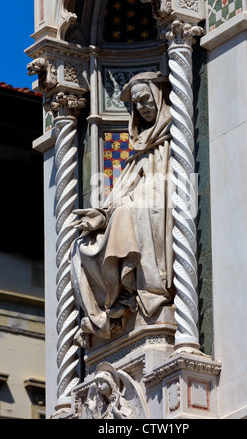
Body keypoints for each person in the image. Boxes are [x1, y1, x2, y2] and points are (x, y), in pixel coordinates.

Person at [70, 71, 174, 343]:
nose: (143, 107)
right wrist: (100, 217)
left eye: (146, 99)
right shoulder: (140, 147)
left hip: (161, 207)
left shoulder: (176, 134)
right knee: (81, 246)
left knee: (134, 210)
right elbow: (121, 192)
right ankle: (121, 298)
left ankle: (145, 289)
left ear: (159, 97)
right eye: (137, 103)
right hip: (138, 208)